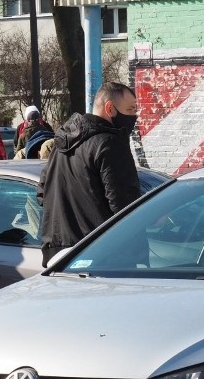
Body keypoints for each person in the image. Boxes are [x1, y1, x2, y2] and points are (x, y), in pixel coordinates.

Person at [37, 81, 141, 267]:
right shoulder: (110, 144)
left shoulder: (60, 146)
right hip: (102, 256)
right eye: (131, 109)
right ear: (110, 108)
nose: (135, 116)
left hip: (58, 255)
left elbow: (42, 193)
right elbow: (126, 206)